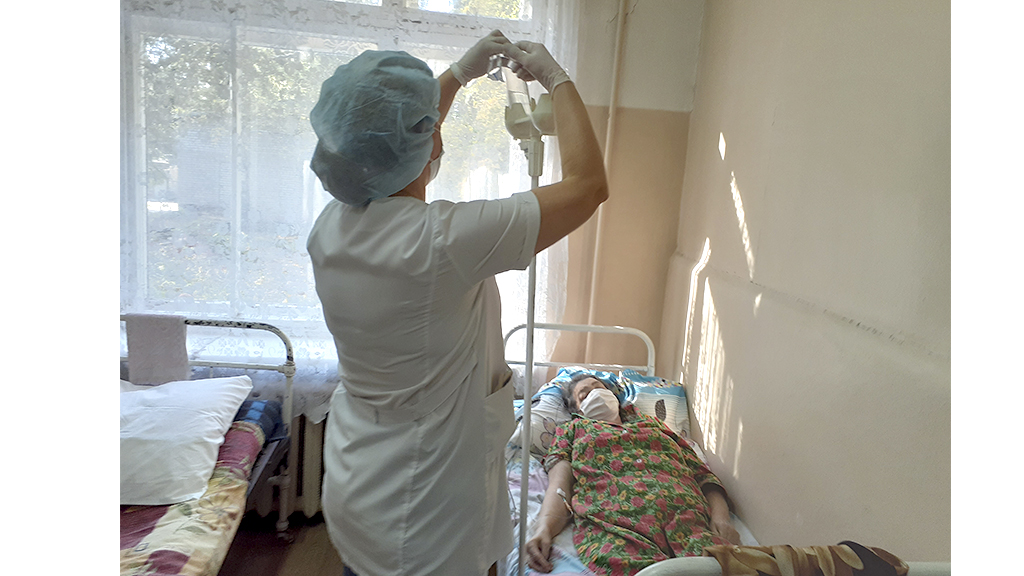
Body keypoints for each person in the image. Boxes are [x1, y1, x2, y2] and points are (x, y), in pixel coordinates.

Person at [305, 29, 608, 576]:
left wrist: (460, 74)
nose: (435, 130)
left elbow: (391, 142)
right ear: (427, 145)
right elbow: (588, 186)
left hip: (358, 477)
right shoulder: (442, 241)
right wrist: (557, 80)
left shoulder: (331, 227)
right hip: (425, 507)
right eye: (429, 125)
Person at [524, 373, 741, 576]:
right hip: (618, 525)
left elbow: (702, 474)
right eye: (584, 394)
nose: (595, 393)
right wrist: (544, 529)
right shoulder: (573, 430)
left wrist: (721, 517)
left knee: (722, 566)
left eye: (598, 387)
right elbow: (559, 485)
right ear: (578, 410)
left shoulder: (655, 425)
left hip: (687, 518)